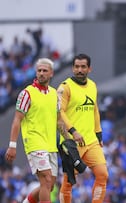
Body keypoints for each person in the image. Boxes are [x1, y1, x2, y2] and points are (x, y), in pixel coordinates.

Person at [5, 58, 69, 203]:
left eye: (45, 71)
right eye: (39, 71)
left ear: (51, 73)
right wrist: (12, 145)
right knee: (46, 179)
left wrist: (69, 138)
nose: (41, 73)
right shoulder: (26, 93)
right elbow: (17, 119)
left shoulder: (54, 94)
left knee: (50, 185)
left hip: (50, 144)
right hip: (34, 142)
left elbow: (58, 120)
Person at [57, 53, 108, 203]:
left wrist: (99, 134)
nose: (79, 70)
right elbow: (60, 112)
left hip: (91, 140)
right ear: (73, 68)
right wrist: (73, 131)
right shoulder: (65, 87)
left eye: (83, 67)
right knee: (69, 181)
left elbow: (95, 109)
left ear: (89, 69)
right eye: (77, 66)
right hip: (71, 142)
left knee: (102, 174)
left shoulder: (92, 85)